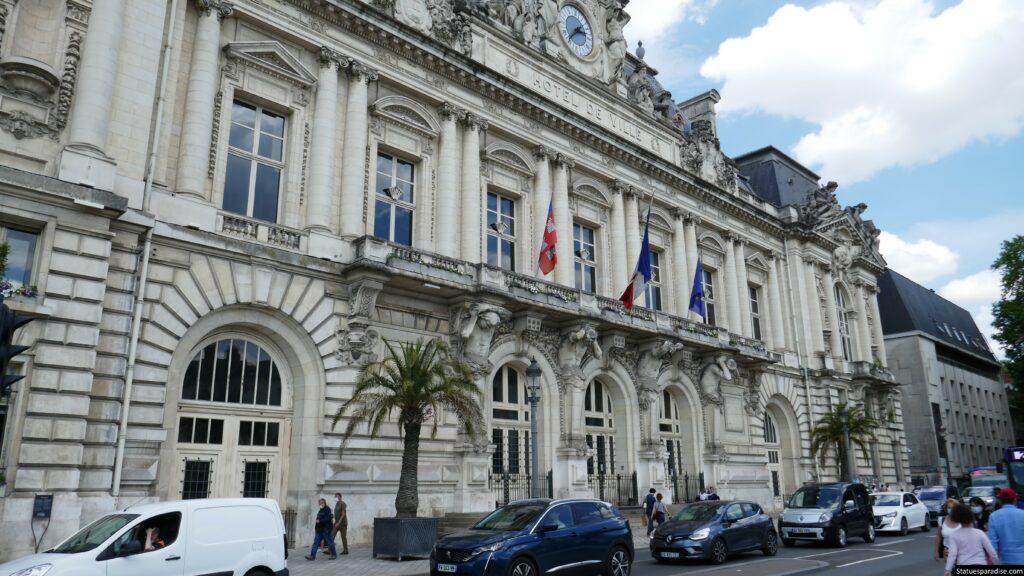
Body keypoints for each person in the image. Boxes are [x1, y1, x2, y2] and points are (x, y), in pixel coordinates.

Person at [944, 503, 999, 576]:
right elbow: (992, 552)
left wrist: (948, 569)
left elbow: (952, 554)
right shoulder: (979, 533)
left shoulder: (954, 535)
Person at [988, 488, 1024, 564]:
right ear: (1015, 499)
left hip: (1005, 559)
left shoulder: (994, 516)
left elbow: (993, 542)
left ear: (1000, 501)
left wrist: (995, 561)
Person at [934, 498, 961, 562]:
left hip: (961, 551)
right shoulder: (941, 520)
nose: (951, 509)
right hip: (947, 552)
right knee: (949, 570)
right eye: (949, 508)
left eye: (953, 508)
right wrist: (936, 551)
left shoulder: (962, 520)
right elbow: (938, 536)